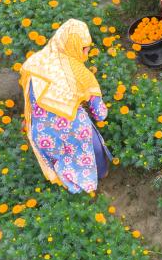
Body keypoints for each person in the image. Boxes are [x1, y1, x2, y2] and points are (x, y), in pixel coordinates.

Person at [19, 19, 111, 194]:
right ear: (76, 47)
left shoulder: (35, 62)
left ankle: (68, 179)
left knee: (61, 157)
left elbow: (30, 98)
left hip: (42, 134)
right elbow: (100, 114)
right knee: (94, 147)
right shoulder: (81, 73)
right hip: (73, 132)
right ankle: (100, 175)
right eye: (85, 48)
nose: (87, 53)